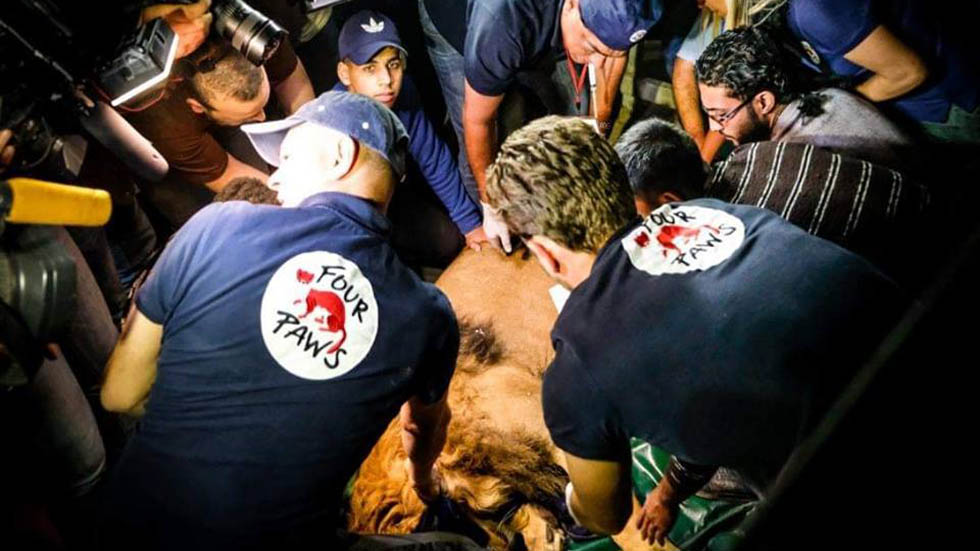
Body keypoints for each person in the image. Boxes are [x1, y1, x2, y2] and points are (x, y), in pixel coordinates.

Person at [485, 116, 903, 545]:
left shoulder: (577, 367)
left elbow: (606, 515)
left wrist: (577, 500)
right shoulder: (709, 212)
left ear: (545, 253)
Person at [98, 92, 480, 551]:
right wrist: (423, 485)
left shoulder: (215, 225)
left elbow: (119, 395)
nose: (275, 177)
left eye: (290, 158)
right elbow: (420, 429)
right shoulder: (427, 313)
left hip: (124, 527)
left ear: (339, 156)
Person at [418, 0, 666, 252]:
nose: (596, 63)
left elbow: (610, 62)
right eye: (592, 47)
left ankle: (561, 216)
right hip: (457, 20)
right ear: (572, 5)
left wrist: (597, 128)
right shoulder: (502, 21)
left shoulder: (618, 16)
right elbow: (478, 122)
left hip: (543, 27)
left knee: (577, 116)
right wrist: (491, 202)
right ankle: (494, 238)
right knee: (496, 138)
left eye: (609, 52)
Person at [616, 117, 937, 285]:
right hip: (935, 206)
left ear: (670, 201)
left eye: (642, 213)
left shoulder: (743, 227)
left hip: (923, 267)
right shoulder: (752, 151)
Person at [334, 10, 488, 263]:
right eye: (370, 68)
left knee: (449, 241)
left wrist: (470, 224)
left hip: (393, 195)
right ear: (344, 73)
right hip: (349, 220)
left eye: (393, 65)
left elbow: (433, 159)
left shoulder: (403, 92)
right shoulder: (334, 124)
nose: (386, 80)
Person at [119, 34, 314, 226]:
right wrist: (306, 204)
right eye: (251, 114)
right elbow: (230, 175)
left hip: (215, 116)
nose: (262, 117)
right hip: (167, 146)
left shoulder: (259, 40)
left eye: (261, 106)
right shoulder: (166, 122)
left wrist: (312, 149)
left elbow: (293, 82)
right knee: (225, 211)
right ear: (197, 107)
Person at [695, 26, 919, 171]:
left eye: (721, 116)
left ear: (763, 102)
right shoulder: (830, 96)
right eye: (709, 114)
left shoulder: (795, 157)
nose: (714, 128)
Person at [785, 0, 979, 145]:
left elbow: (907, 72)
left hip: (949, 106)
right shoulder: (793, 14)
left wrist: (837, 103)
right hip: (930, 104)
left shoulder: (813, 8)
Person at [671, 0, 783, 162]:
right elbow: (683, 71)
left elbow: (728, 107)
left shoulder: (762, 25)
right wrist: (696, 140)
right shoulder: (715, 15)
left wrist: (703, 162)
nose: (699, 4)